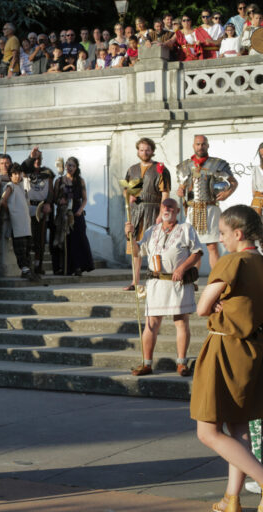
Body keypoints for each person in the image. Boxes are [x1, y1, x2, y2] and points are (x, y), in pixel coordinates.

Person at [191, 205, 263, 512]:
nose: (220, 240)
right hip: (252, 347)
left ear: (238, 233)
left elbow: (202, 307)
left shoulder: (233, 260)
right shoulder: (261, 261)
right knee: (238, 427)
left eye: (223, 233)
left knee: (207, 431)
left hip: (225, 349)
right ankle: (231, 498)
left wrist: (214, 299)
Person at [126, 199, 202, 377]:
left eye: (171, 208)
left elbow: (197, 251)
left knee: (181, 321)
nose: (167, 210)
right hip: (156, 282)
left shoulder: (186, 229)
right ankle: (147, 364)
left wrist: (182, 268)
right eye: (164, 207)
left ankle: (181, 363)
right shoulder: (152, 231)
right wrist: (129, 236)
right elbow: (138, 252)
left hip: (179, 283)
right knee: (151, 324)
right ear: (160, 210)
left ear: (177, 211)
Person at [176, 135, 237, 269]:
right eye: (198, 144)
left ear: (208, 145)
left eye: (203, 144)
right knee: (193, 247)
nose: (200, 147)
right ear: (193, 146)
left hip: (211, 209)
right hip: (193, 210)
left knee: (212, 246)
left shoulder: (217, 164)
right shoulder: (185, 166)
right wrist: (180, 191)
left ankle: (215, 278)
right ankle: (193, 280)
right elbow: (182, 188)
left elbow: (233, 182)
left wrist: (227, 193)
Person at [123, 138, 172, 290]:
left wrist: (162, 213)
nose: (144, 152)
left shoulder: (160, 168)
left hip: (153, 209)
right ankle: (135, 282)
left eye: (147, 150)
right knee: (134, 247)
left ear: (152, 151)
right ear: (138, 151)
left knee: (154, 246)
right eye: (142, 150)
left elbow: (165, 192)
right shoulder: (133, 170)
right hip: (137, 212)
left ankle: (156, 279)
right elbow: (127, 189)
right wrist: (129, 194)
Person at [53, 157, 94, 275]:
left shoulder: (80, 181)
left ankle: (79, 267)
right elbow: (55, 198)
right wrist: (59, 201)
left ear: (76, 168)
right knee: (67, 241)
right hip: (64, 212)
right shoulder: (59, 181)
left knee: (79, 238)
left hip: (77, 212)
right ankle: (68, 267)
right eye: (68, 165)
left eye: (73, 166)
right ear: (65, 165)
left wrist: (80, 210)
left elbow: (85, 199)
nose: (70, 167)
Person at [21, 147, 54, 275]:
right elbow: (23, 167)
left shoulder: (47, 172)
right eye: (35, 159)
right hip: (28, 207)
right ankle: (28, 267)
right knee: (29, 239)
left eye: (39, 158)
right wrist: (31, 156)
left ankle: (38, 266)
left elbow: (51, 190)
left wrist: (48, 203)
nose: (37, 161)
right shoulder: (26, 171)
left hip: (41, 208)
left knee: (40, 240)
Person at [0, 164, 36, 279]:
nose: (17, 176)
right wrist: (10, 211)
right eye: (14, 174)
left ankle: (27, 270)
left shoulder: (21, 187)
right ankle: (24, 269)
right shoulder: (10, 186)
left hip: (25, 222)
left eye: (19, 173)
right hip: (17, 222)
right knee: (20, 246)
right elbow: (3, 201)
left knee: (27, 247)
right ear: (10, 176)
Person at [252, 142, 263, 216]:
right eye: (262, 155)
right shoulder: (256, 169)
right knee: (254, 218)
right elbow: (253, 189)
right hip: (259, 196)